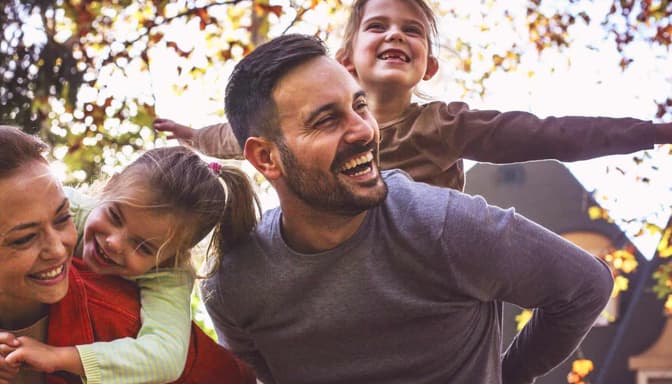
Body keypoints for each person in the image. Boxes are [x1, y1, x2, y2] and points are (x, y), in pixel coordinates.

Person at [199, 34, 615, 384]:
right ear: (266, 158)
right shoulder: (234, 287)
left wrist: (508, 376)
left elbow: (585, 286)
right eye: (326, 120)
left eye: (360, 106)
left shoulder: (442, 225)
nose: (363, 130)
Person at [154, 0, 672, 192]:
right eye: (377, 25)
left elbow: (549, 132)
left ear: (430, 65)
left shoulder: (444, 125)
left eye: (413, 31)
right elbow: (241, 134)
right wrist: (194, 136)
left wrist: (650, 133)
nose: (396, 35)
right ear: (345, 59)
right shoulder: (309, 123)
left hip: (426, 261)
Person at [0, 126, 257, 384]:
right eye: (115, 218)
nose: (114, 243)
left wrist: (60, 357)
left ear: (168, 257)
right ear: (108, 187)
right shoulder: (69, 206)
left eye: (144, 247)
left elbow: (165, 357)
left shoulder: (161, 280)